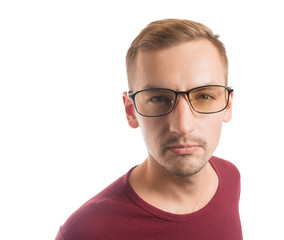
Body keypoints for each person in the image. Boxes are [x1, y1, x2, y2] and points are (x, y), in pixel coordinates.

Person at [56, 18, 242, 240]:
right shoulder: (86, 232)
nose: (182, 126)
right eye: (158, 98)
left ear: (228, 105)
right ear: (131, 111)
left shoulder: (230, 177)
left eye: (204, 96)